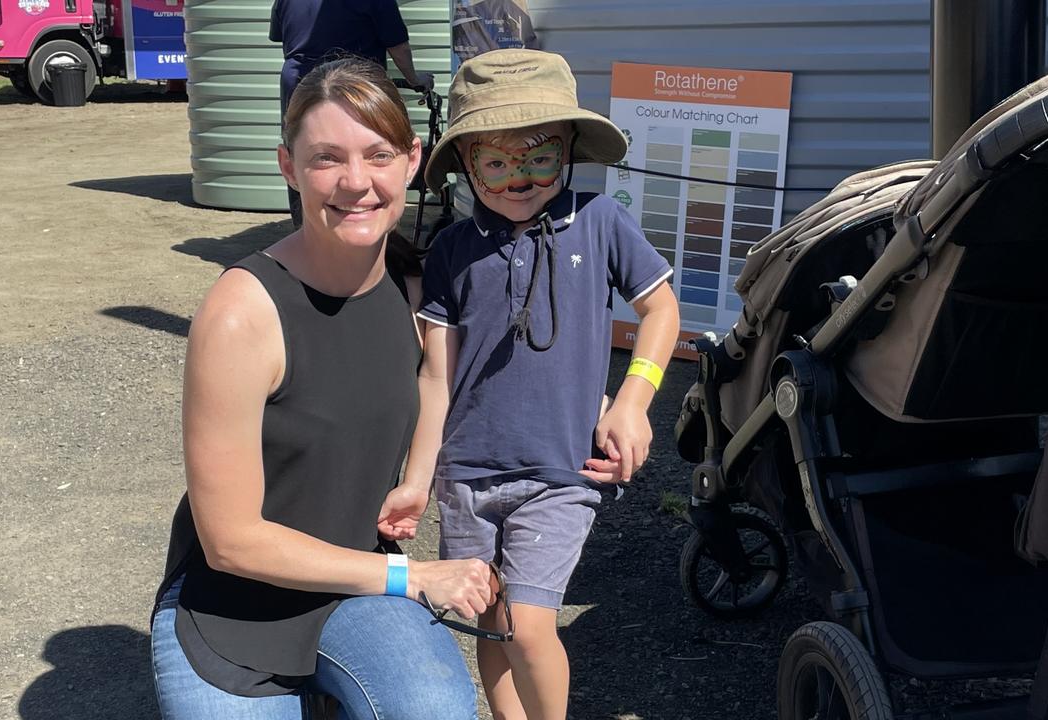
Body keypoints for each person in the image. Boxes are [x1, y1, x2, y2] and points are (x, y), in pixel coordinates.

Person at [150, 57, 491, 720]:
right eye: (326, 158)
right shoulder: (241, 312)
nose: (356, 182)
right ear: (288, 167)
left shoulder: (416, 286)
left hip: (354, 581)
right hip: (232, 608)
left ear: (412, 160)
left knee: (437, 710)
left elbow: (438, 376)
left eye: (377, 154)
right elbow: (230, 542)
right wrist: (412, 577)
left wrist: (417, 477)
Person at [395, 49, 682, 720]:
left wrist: (634, 401)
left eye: (538, 156)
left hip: (560, 473)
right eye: (495, 161)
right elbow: (435, 373)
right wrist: (416, 478)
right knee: (490, 625)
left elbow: (661, 309)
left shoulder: (602, 222)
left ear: (569, 150)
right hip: (465, 476)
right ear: (465, 164)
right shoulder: (451, 252)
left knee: (527, 625)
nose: (517, 177)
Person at [269, 0, 435, 227]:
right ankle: (365, 228)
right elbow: (398, 45)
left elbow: (282, 35)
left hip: (299, 83)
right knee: (366, 157)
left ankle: (306, 230)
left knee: (307, 156)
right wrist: (414, 78)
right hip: (354, 86)